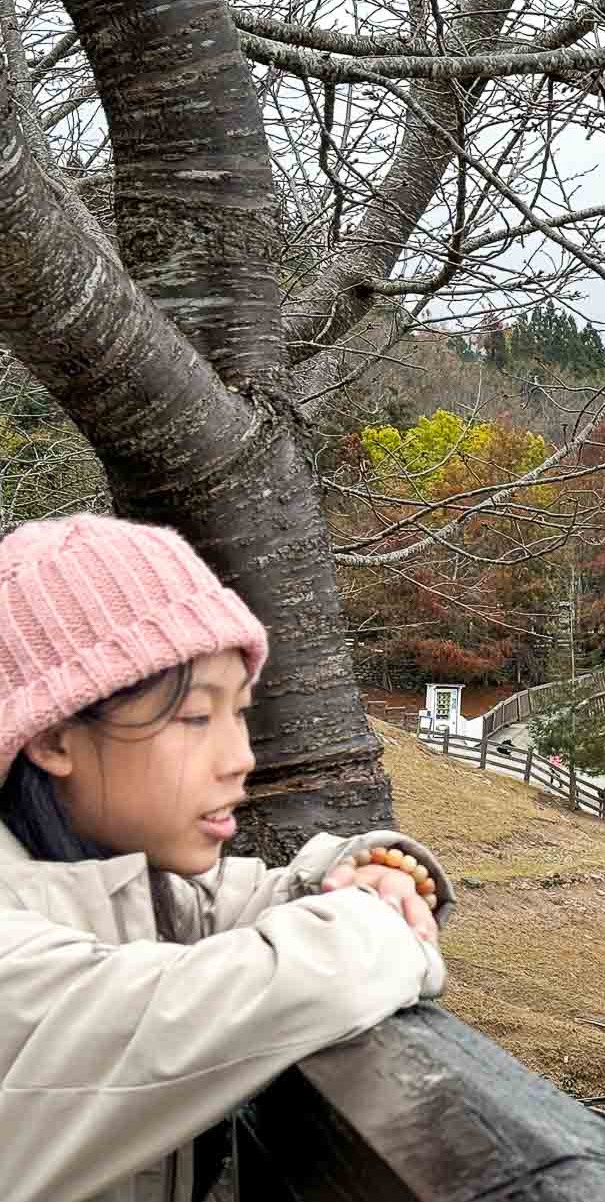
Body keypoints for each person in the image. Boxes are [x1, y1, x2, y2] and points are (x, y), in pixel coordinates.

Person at [0, 514, 452, 1202]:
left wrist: (358, 873)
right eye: (195, 717)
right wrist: (380, 925)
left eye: (239, 712)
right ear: (56, 738)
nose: (240, 757)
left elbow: (235, 902)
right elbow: (221, 997)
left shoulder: (118, 884)